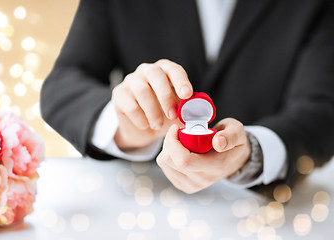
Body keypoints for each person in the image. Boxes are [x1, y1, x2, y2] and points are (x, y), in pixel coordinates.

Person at [40, 0, 334, 195]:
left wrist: (252, 153)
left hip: (265, 209)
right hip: (137, 200)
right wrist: (124, 126)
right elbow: (63, 83)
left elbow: (322, 110)